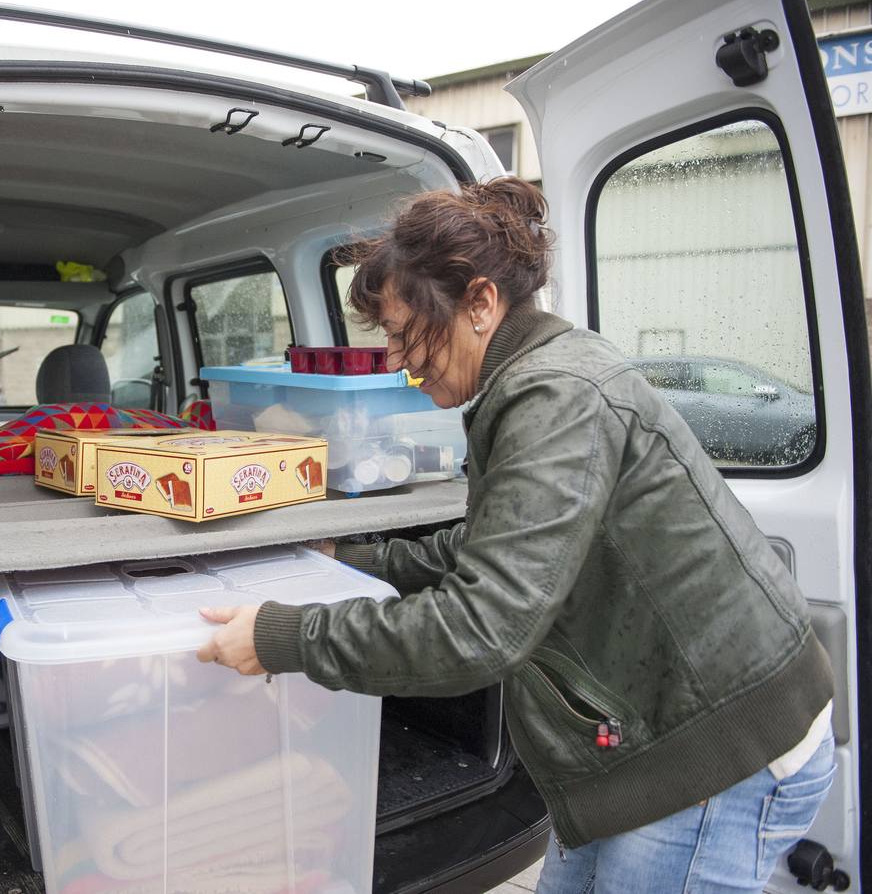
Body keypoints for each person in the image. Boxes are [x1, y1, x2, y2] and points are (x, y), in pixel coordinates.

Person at [196, 177, 835, 893]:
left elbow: (481, 630)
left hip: (716, 751)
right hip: (650, 736)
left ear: (480, 303)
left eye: (405, 333)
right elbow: (489, 545)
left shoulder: (554, 394)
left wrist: (280, 638)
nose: (397, 360)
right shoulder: (527, 379)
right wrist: (352, 563)